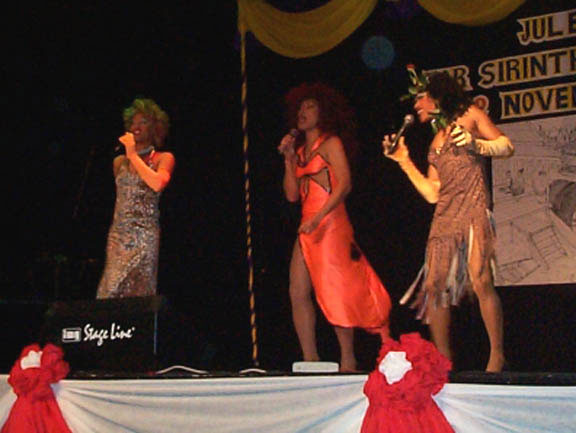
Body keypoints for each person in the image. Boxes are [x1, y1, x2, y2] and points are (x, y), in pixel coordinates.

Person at [383, 68, 514, 372]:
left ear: (437, 95)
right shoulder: (435, 142)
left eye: (420, 98)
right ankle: (443, 360)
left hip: (473, 209)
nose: (416, 105)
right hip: (444, 217)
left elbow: (506, 146)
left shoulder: (470, 115)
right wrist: (404, 162)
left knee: (481, 279)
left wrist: (475, 143)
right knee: (434, 287)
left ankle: (497, 355)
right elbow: (432, 193)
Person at [278, 82, 391, 372]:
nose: (303, 112)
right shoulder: (300, 151)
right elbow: (291, 195)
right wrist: (289, 159)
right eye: (300, 108)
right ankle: (310, 359)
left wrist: (319, 217)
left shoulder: (331, 143)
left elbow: (345, 184)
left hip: (330, 224)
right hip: (307, 225)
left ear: (323, 112)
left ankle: (347, 357)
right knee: (297, 290)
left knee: (335, 289)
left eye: (310, 107)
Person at [97, 98, 175, 299]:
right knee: (110, 291)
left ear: (155, 128)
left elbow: (157, 183)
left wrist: (133, 155)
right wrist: (129, 155)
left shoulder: (163, 158)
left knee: (139, 294)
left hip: (145, 235)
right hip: (119, 235)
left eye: (143, 122)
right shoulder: (119, 162)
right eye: (133, 122)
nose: (136, 127)